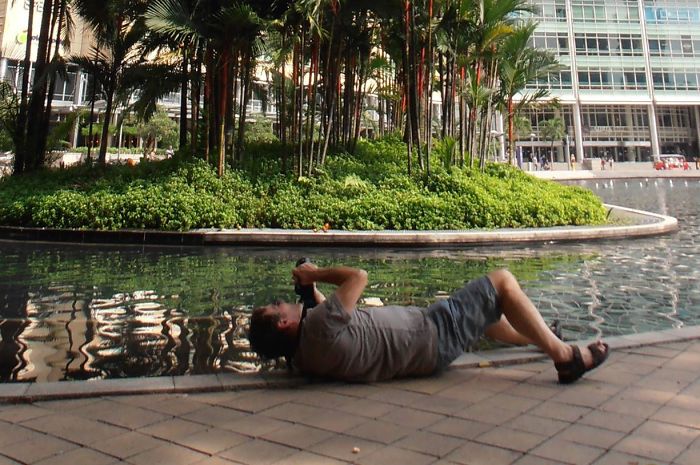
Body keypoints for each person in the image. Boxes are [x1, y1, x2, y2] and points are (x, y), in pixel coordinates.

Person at [248, 263, 609, 384]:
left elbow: (332, 322)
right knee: (502, 283)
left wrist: (311, 292)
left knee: (482, 317)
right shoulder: (319, 327)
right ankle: (564, 356)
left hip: (426, 349)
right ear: (283, 323)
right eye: (277, 306)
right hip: (431, 333)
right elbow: (358, 276)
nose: (282, 302)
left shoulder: (304, 355)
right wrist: (315, 273)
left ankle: (540, 339)